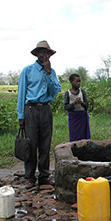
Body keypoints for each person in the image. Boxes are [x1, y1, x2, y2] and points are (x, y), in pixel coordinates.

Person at [17, 40, 62, 189]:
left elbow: (55, 90)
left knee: (45, 144)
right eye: (41, 52)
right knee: (31, 145)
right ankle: (29, 177)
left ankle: (44, 176)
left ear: (50, 55)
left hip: (45, 109)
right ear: (37, 54)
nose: (44, 55)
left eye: (47, 53)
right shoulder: (28, 71)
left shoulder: (52, 72)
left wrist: (48, 73)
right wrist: (21, 116)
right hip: (31, 109)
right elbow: (21, 94)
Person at [64, 73, 91, 142]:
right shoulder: (68, 93)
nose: (79, 83)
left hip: (82, 117)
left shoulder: (82, 92)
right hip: (74, 118)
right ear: (71, 82)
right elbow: (66, 107)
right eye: (77, 81)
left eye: (79, 81)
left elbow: (87, 106)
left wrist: (81, 102)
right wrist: (74, 104)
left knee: (84, 136)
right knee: (74, 135)